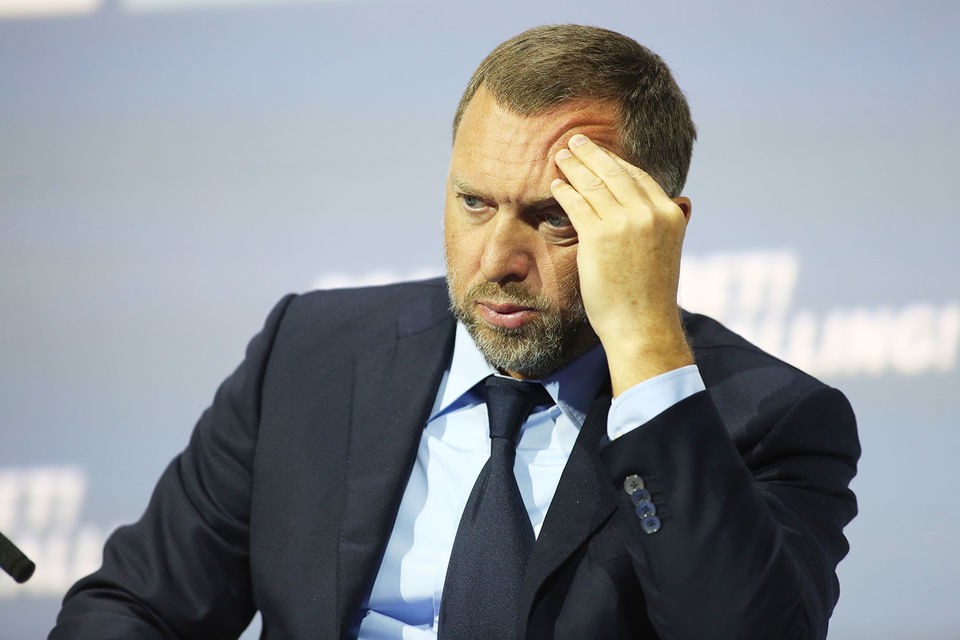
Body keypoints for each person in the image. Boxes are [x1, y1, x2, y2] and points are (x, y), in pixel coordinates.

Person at [50, 24, 859, 640]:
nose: (498, 260)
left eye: (554, 218)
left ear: (655, 230)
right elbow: (137, 606)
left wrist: (646, 345)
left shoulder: (768, 420)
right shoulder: (311, 352)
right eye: (474, 202)